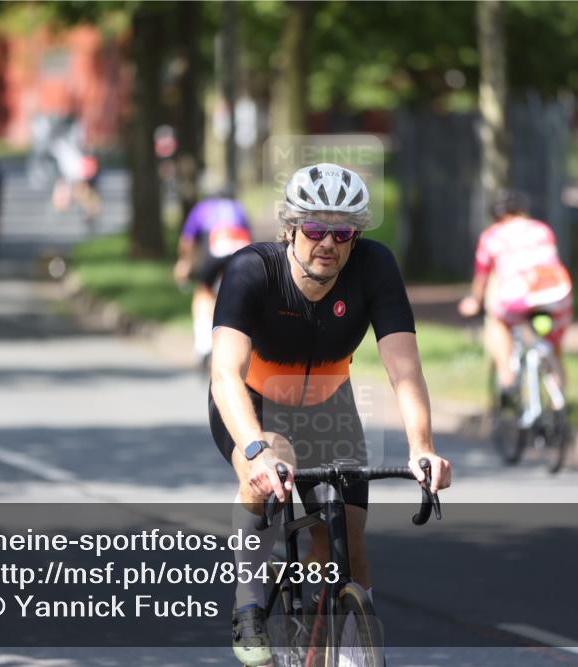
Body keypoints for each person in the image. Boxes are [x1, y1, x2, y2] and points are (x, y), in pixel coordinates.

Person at [209, 163, 452, 666]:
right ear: (290, 228)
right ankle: (248, 602)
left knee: (348, 544)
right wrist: (254, 449)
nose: (328, 243)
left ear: (355, 236)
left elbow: (405, 369)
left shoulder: (374, 267)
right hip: (254, 403)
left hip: (329, 404)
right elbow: (225, 374)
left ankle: (343, 648)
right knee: (267, 467)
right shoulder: (252, 269)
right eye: (315, 228)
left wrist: (422, 447)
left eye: (342, 233)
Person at [458, 189, 573, 402]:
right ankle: (559, 397)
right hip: (557, 292)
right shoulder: (542, 229)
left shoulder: (491, 236)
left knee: (498, 321)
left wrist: (474, 301)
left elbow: (482, 277)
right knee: (552, 343)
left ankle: (506, 378)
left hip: (519, 295)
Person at [173, 195, 252, 368]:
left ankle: (203, 345)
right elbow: (249, 237)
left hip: (216, 250)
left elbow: (187, 241)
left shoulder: (201, 208)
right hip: (241, 251)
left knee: (203, 293)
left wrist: (185, 263)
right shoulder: (237, 208)